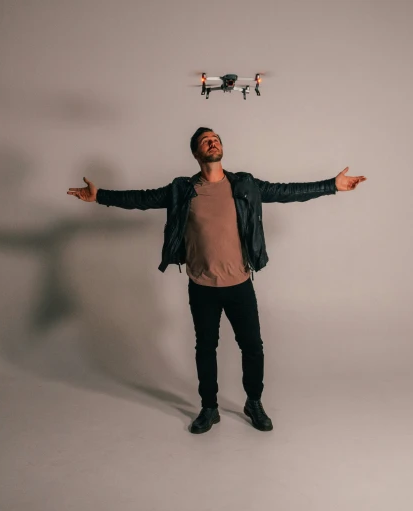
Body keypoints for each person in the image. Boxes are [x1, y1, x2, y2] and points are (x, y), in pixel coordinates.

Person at [67, 127, 366, 434]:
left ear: (221, 147)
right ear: (197, 154)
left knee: (252, 347)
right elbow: (142, 199)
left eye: (216, 139)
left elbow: (286, 191)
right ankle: (209, 408)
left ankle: (254, 402)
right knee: (205, 348)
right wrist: (99, 196)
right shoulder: (182, 189)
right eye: (205, 141)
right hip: (202, 287)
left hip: (240, 284)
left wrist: (332, 185)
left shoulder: (244, 184)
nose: (212, 142)